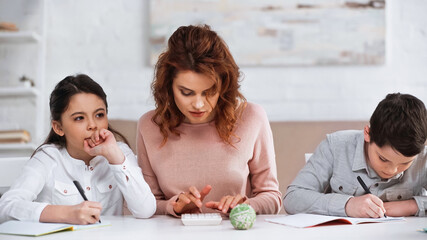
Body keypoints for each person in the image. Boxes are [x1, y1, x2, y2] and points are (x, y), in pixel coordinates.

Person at [137, 24, 282, 217]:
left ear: (224, 86)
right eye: (186, 93)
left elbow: (272, 196)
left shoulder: (252, 118)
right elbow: (146, 203)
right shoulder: (150, 125)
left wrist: (245, 206)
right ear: (169, 87)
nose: (198, 104)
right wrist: (174, 207)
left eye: (209, 92)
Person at [0, 74, 156, 224]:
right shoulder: (49, 157)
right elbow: (6, 207)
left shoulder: (119, 152)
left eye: (99, 115)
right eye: (79, 118)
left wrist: (115, 157)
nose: (93, 125)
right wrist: (67, 213)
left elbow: (146, 210)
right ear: (58, 127)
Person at [284, 93, 427, 218]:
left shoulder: (423, 157)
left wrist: (411, 205)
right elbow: (293, 198)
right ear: (367, 134)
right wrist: (347, 205)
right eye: (383, 159)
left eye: (405, 163)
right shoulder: (335, 146)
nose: (391, 171)